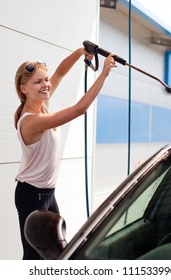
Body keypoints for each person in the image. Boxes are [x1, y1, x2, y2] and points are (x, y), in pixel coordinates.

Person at [13, 46, 116, 259]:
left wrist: (80, 52)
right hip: (32, 195)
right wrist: (104, 73)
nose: (46, 85)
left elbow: (59, 73)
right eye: (38, 82)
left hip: (47, 193)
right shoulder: (32, 121)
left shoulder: (42, 105)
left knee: (56, 255)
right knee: (34, 257)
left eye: (45, 80)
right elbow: (79, 109)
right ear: (24, 89)